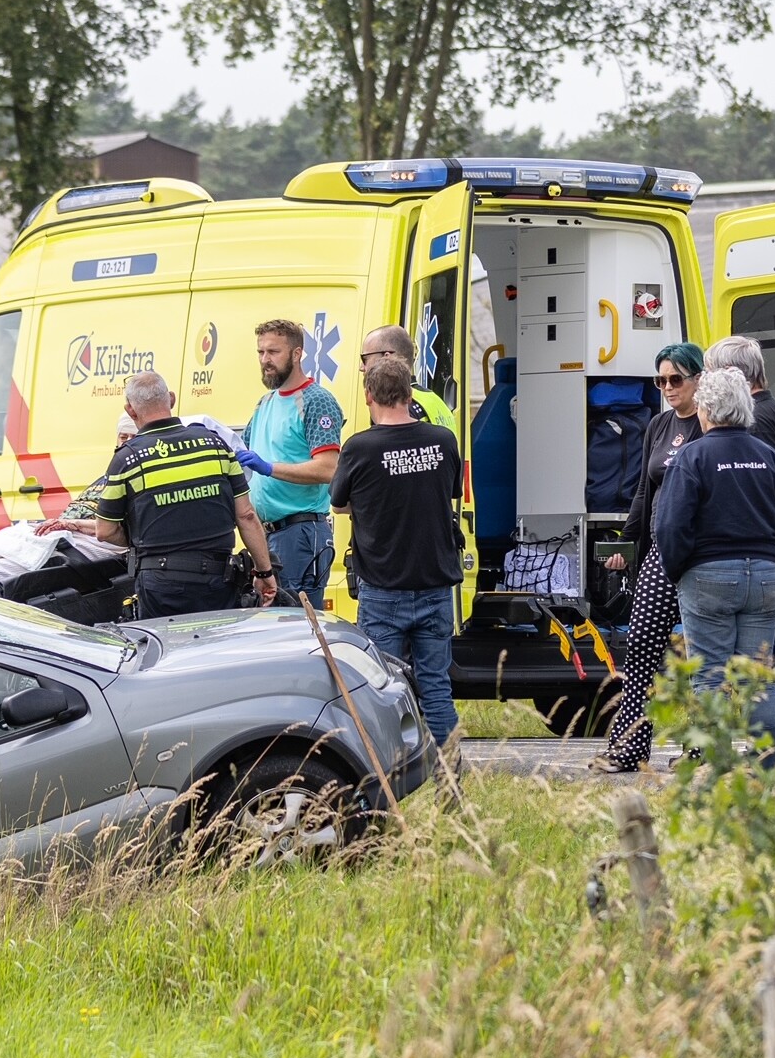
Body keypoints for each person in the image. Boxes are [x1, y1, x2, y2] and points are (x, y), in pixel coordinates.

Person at [48, 371, 277, 617]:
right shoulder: (217, 445)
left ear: (131, 410)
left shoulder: (126, 459)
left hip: (160, 587)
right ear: (171, 399)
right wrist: (264, 572)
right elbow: (246, 516)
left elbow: (105, 531)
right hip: (218, 581)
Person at [652, 366, 775, 716]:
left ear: (704, 409)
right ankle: (763, 763)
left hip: (707, 577)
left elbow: (671, 525)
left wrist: (678, 572)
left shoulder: (691, 457)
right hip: (765, 575)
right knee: (758, 678)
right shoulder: (770, 458)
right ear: (745, 409)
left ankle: (714, 762)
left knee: (709, 677)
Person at [333, 354, 464, 744]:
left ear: (369, 396)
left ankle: (395, 779)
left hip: (383, 588)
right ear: (410, 394)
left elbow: (338, 503)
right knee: (436, 687)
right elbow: (450, 491)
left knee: (384, 690)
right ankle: (450, 780)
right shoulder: (442, 440)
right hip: (436, 583)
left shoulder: (360, 448)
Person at [596, 341, 705, 771]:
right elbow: (645, 488)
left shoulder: (709, 423)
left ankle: (700, 748)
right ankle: (630, 745)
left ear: (698, 379)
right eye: (660, 380)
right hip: (660, 551)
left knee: (699, 653)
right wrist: (628, 541)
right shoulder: (659, 426)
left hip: (698, 553)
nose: (667, 387)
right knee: (641, 644)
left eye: (676, 379)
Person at [704, 335, 775, 758]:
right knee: (774, 648)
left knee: (767, 655)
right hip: (774, 554)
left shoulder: (755, 423)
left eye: (713, 373)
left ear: (736, 376)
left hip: (760, 557)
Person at [241, 318, 346, 607]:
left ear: (297, 354)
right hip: (268, 535)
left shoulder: (316, 400)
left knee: (298, 628)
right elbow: (242, 452)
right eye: (261, 353)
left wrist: (269, 468)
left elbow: (328, 468)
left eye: (273, 352)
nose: (265, 360)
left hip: (299, 533)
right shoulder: (265, 403)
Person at [360, 324, 457, 432]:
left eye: (365, 359)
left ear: (387, 358)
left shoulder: (395, 405)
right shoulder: (435, 400)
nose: (361, 367)